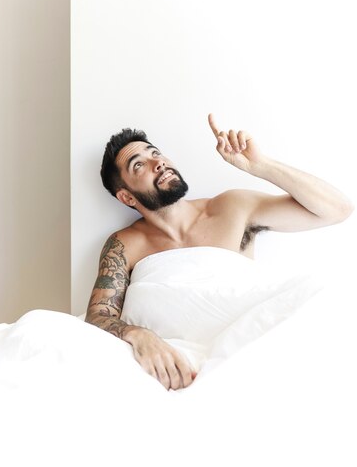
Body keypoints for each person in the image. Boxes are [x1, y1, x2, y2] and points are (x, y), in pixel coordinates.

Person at [85, 114, 353, 391]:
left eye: (155, 153)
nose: (158, 162)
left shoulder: (232, 207)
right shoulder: (125, 244)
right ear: (127, 197)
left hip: (244, 346)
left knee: (329, 290)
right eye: (139, 164)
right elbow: (99, 315)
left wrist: (261, 166)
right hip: (171, 362)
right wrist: (140, 336)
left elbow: (337, 210)